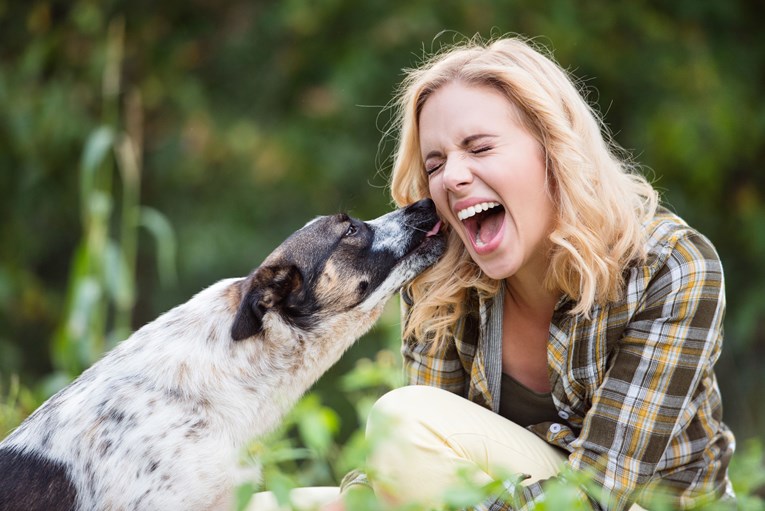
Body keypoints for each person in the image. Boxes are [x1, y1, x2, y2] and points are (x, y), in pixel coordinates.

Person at [252, 35, 736, 511]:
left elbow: (597, 494)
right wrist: (363, 496)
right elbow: (412, 467)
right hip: (510, 498)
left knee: (402, 420)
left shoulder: (672, 265)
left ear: (554, 149)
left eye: (479, 149)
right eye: (436, 162)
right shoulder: (440, 279)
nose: (453, 177)